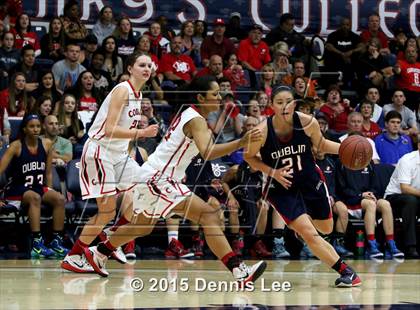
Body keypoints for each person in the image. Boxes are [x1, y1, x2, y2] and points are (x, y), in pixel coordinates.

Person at [83, 76, 267, 284]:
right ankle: (239, 270)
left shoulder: (193, 117)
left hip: (154, 176)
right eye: (214, 95)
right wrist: (240, 142)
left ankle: (98, 253)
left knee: (143, 227)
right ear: (200, 98)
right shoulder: (196, 120)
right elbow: (207, 152)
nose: (219, 99)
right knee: (208, 215)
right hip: (160, 178)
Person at [243, 85, 361, 287]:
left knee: (325, 227)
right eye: (279, 102)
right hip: (282, 187)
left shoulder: (307, 122)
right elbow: (249, 157)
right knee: (310, 233)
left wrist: (350, 150)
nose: (284, 107)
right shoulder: (261, 131)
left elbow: (321, 145)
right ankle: (347, 272)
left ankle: (301, 229)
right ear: (271, 105)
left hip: (309, 181)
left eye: (288, 102)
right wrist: (273, 172)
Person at [60, 51, 159, 273]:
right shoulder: (122, 91)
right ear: (130, 68)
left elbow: (125, 132)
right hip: (100, 151)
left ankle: (109, 236)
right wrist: (142, 133)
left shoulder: (138, 95)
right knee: (106, 211)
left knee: (146, 189)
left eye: (149, 66)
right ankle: (74, 256)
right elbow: (109, 129)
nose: (146, 69)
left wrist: (132, 148)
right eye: (142, 65)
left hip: (119, 154)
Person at [0, 114, 68, 257]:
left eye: (38, 126)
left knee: (60, 199)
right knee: (35, 198)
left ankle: (56, 241)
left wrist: (49, 189)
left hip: (37, 187)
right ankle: (37, 243)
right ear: (24, 129)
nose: (35, 129)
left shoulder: (47, 144)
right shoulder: (16, 146)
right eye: (32, 126)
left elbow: (48, 173)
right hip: (16, 189)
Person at [385, 138, 420, 258]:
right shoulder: (407, 160)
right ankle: (410, 246)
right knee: (411, 201)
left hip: (415, 196)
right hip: (394, 197)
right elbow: (405, 188)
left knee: (413, 200)